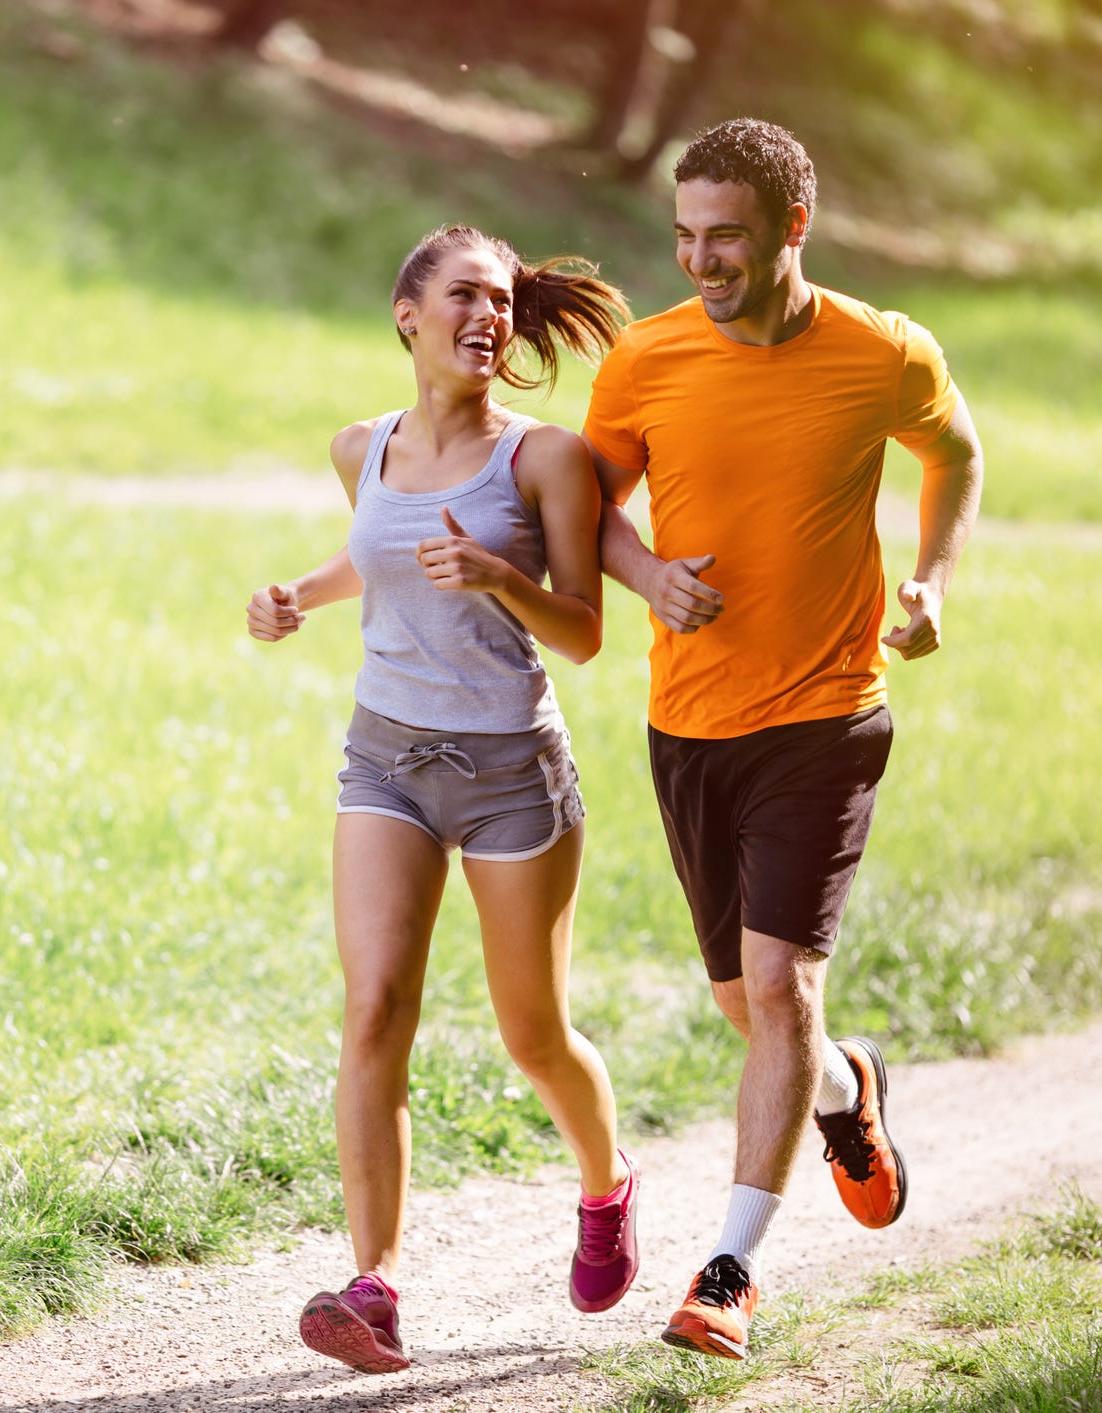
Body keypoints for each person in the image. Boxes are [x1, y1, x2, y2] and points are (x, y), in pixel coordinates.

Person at [583, 118, 984, 1360]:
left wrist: (931, 583)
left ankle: (730, 1273)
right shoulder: (646, 360)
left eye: (727, 238)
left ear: (791, 227)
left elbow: (955, 454)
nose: (701, 261)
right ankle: (847, 1090)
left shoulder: (882, 350)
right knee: (745, 1005)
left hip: (827, 714)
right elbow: (585, 508)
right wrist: (647, 573)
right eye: (685, 236)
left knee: (776, 986)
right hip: (689, 722)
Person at [246, 224, 640, 1375]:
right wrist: (297, 594)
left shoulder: (544, 458)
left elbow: (584, 633)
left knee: (533, 1035)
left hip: (513, 772)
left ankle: (607, 1183)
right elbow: (378, 555)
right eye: (466, 294)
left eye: (503, 300)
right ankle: (373, 1287)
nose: (490, 315)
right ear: (407, 313)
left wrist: (501, 577)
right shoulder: (358, 447)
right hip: (387, 759)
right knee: (374, 1009)